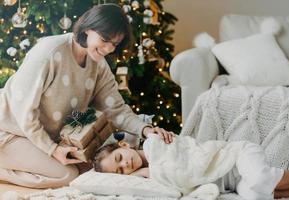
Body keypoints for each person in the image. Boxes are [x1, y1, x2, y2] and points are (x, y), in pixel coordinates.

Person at [0, 3, 174, 189]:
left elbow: (115, 108)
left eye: (114, 44)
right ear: (88, 28)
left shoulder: (98, 64)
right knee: (67, 176)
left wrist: (146, 129)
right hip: (9, 130)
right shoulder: (49, 52)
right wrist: (52, 149)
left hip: (36, 136)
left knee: (89, 170)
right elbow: (23, 111)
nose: (108, 49)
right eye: (104, 39)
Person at [94, 134, 289, 200]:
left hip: (235, 157)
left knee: (260, 179)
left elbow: (183, 164)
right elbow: (178, 189)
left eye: (119, 158)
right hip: (233, 182)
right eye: (120, 170)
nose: (125, 164)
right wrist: (146, 175)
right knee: (257, 196)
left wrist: (151, 172)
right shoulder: (147, 179)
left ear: (123, 145)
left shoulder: (153, 143)